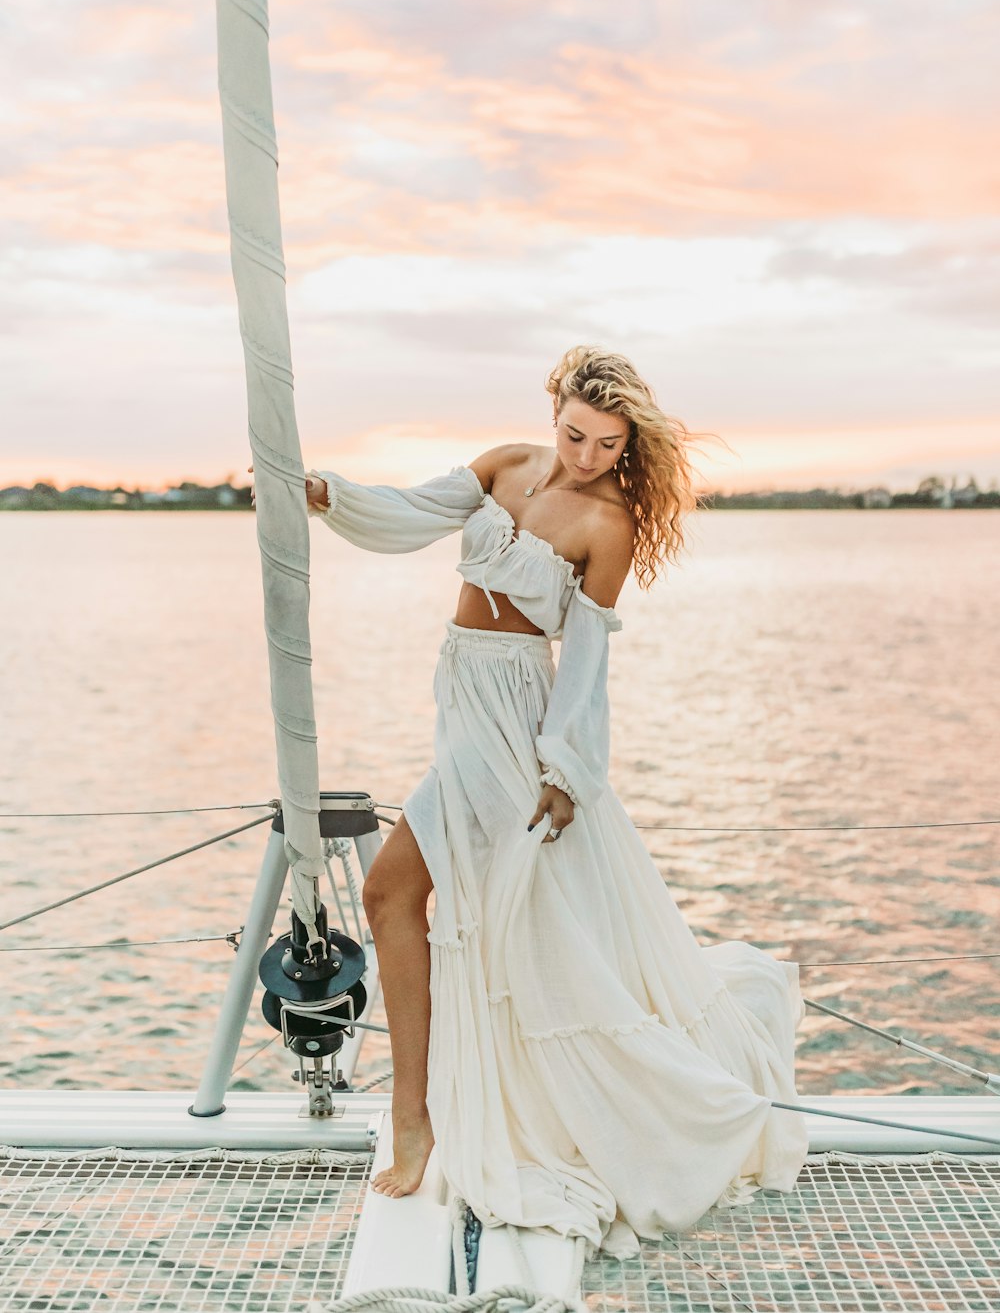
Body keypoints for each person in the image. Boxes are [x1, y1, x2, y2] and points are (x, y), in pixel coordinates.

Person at [252, 344, 809, 1257]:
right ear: (554, 412)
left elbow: (586, 656)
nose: (587, 455)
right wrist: (328, 496)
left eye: (608, 444)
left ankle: (416, 1120)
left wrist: (566, 770)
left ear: (629, 447)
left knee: (397, 895)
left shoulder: (610, 522)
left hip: (517, 717)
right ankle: (429, 1113)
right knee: (451, 911)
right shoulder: (504, 465)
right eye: (576, 434)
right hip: (459, 698)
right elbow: (413, 511)